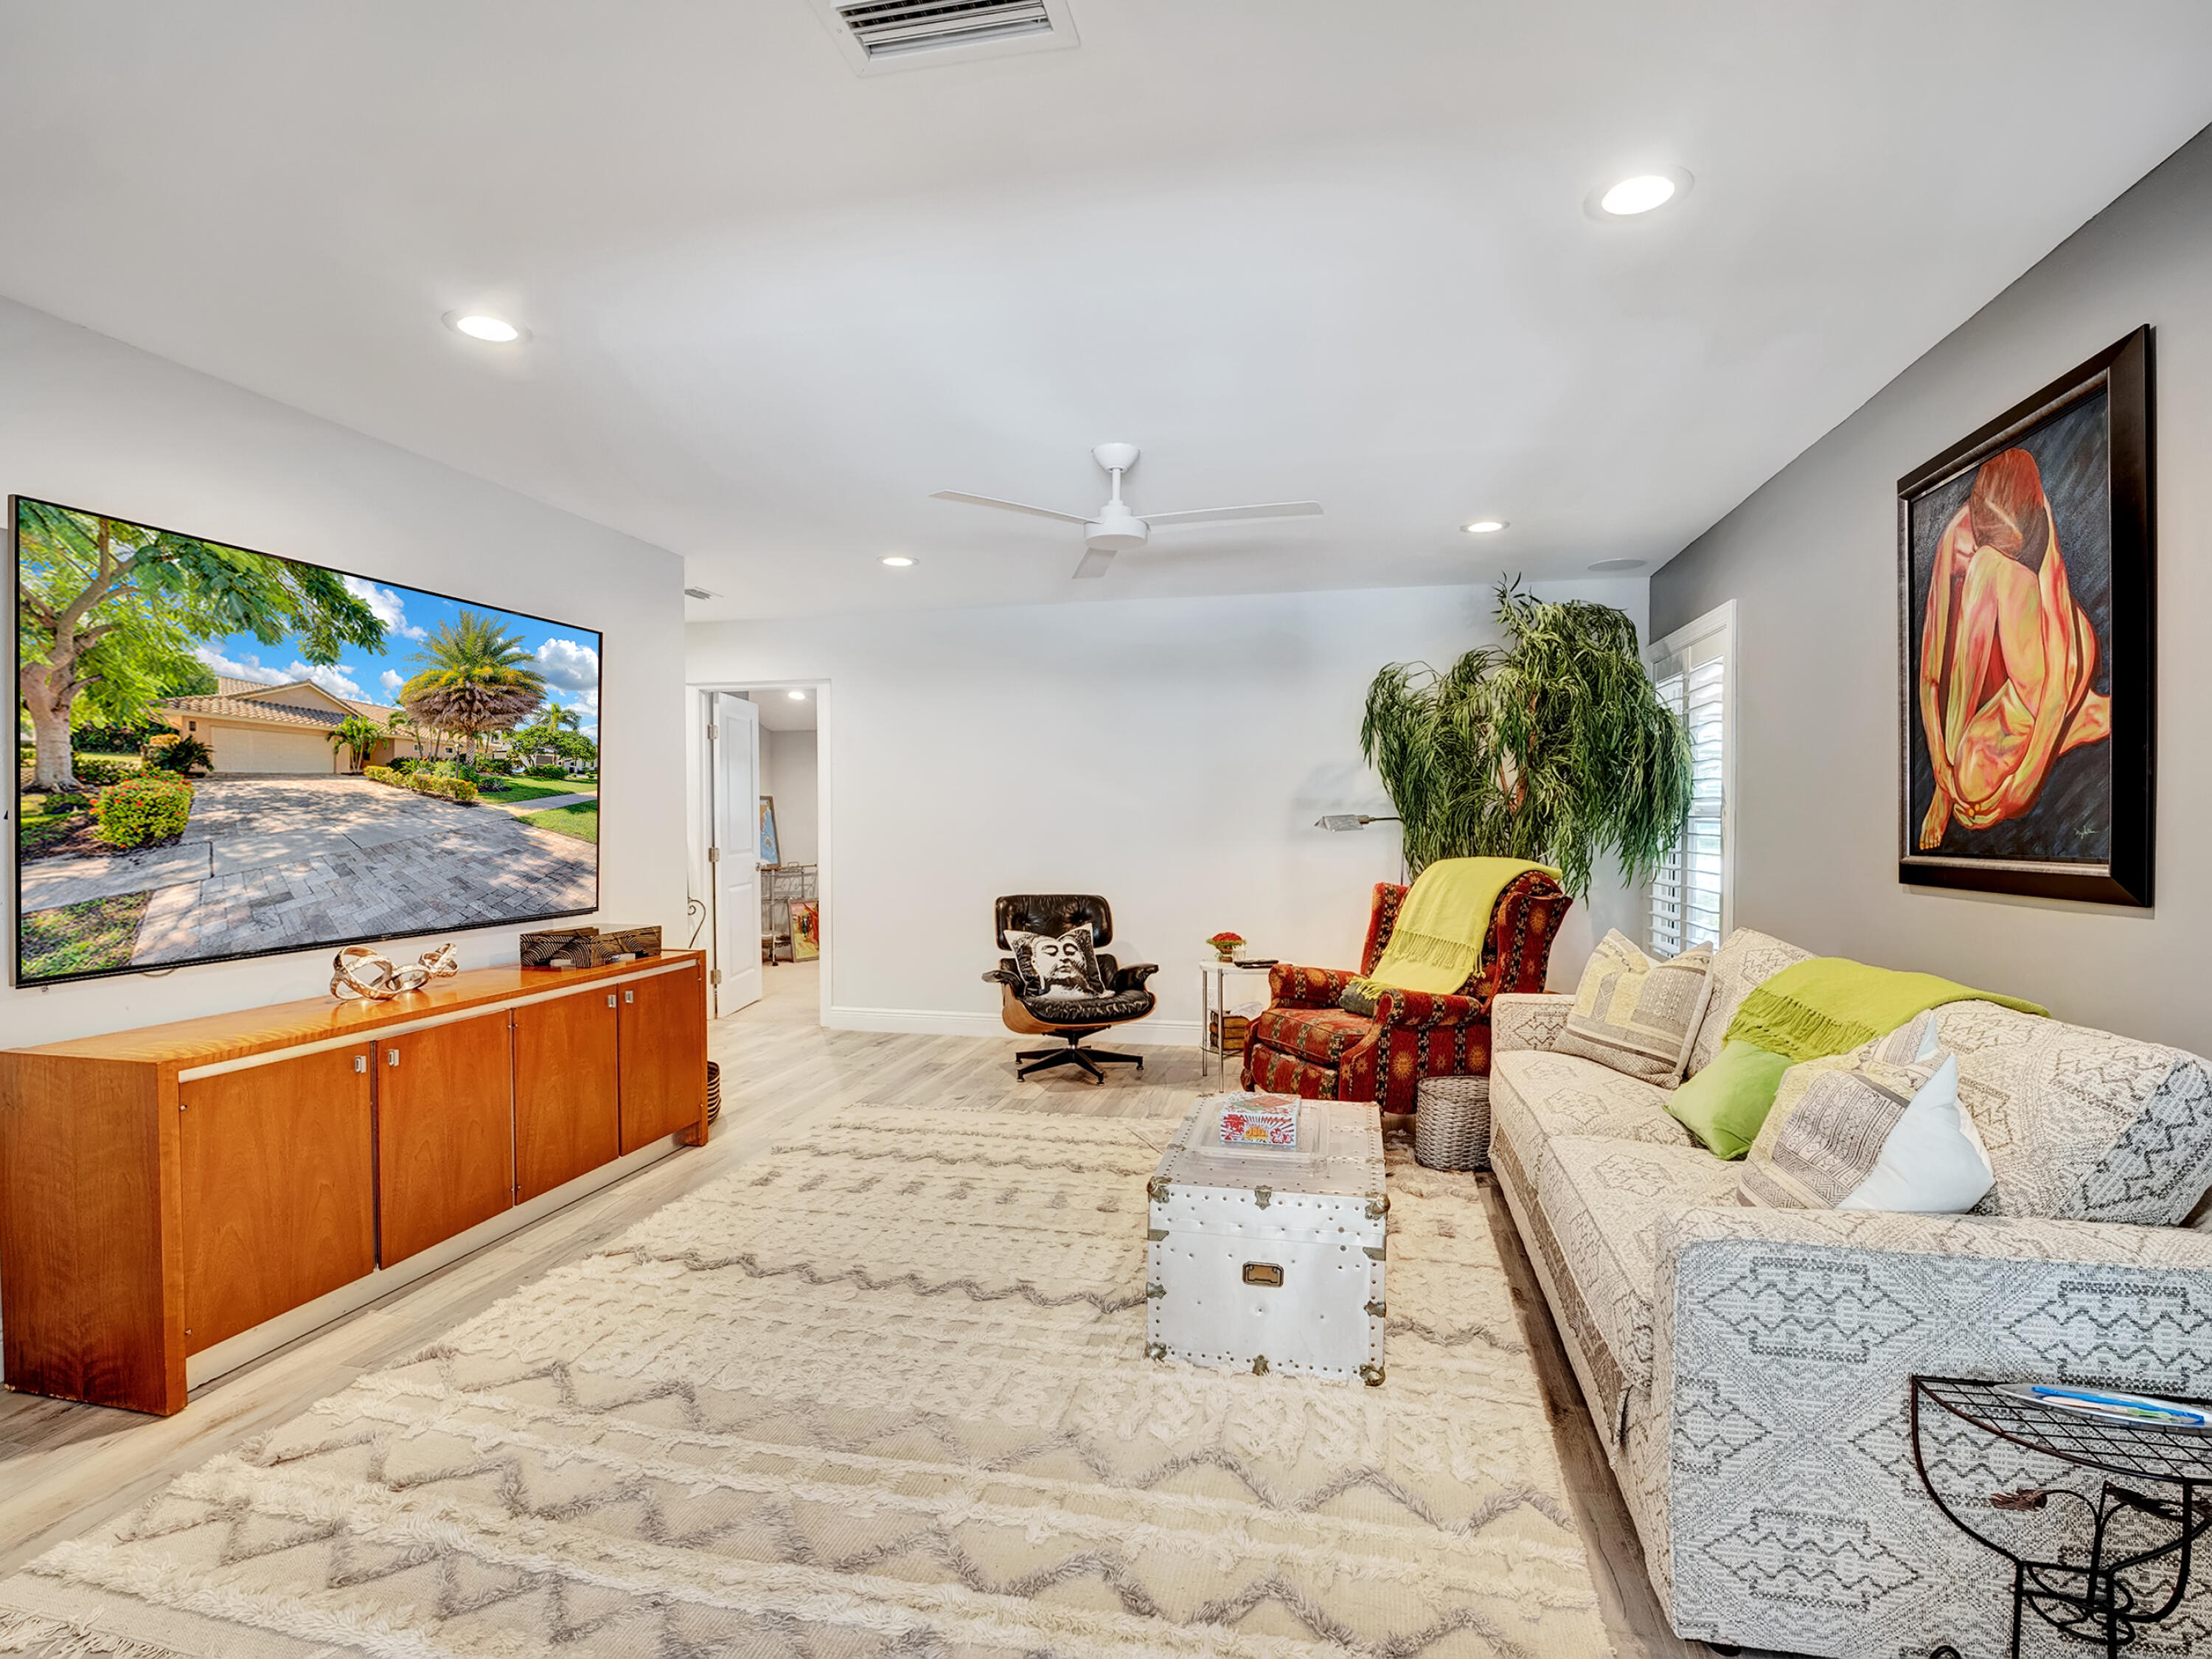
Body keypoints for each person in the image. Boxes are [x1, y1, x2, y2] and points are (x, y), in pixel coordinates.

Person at [1916, 447, 2110, 849]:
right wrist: (1942, 778)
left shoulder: (2036, 522)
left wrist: (2022, 786)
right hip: (2036, 665)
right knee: (1986, 568)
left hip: (2057, 661)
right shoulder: (1957, 539)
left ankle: (2074, 720)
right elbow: (1932, 675)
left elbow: (2059, 674)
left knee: (1970, 780)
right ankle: (2083, 717)